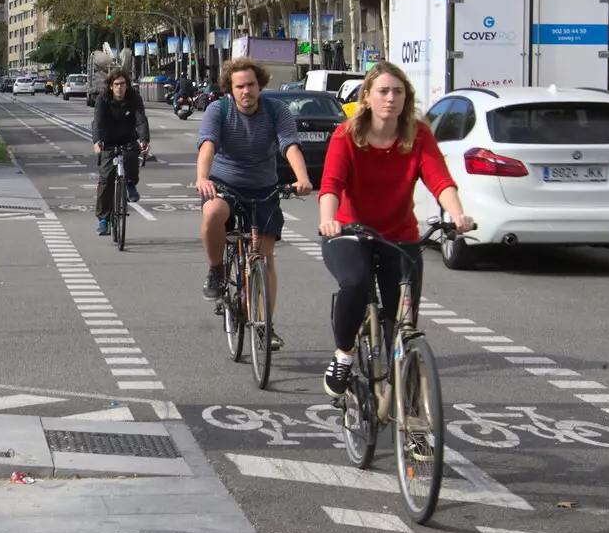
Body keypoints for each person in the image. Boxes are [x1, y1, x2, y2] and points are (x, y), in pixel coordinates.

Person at [317, 61, 473, 397]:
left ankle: (410, 417)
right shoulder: (346, 135)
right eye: (383, 91)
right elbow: (331, 184)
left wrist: (458, 214)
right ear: (368, 98)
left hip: (399, 236)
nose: (391, 98)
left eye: (398, 91)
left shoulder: (418, 134)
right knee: (355, 284)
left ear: (406, 97)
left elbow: (440, 180)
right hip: (349, 233)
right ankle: (344, 354)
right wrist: (329, 220)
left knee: (401, 328)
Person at [196, 57, 313, 305]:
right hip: (226, 185)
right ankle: (216, 270)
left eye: (250, 84)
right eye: (239, 86)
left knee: (265, 256)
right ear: (230, 89)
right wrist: (202, 178)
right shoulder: (219, 110)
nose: (246, 90)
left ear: (259, 85)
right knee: (213, 210)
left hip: (264, 189)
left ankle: (264, 327)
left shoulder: (275, 110)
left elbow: (290, 146)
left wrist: (302, 179)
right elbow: (208, 145)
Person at [89, 68, 150, 236]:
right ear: (110, 86)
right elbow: (98, 122)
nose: (119, 88)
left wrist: (144, 140)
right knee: (105, 179)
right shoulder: (103, 99)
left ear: (127, 85)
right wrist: (97, 141)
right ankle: (103, 219)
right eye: (116, 84)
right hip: (107, 140)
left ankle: (130, 184)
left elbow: (141, 120)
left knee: (132, 155)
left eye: (123, 84)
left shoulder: (134, 98)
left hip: (128, 138)